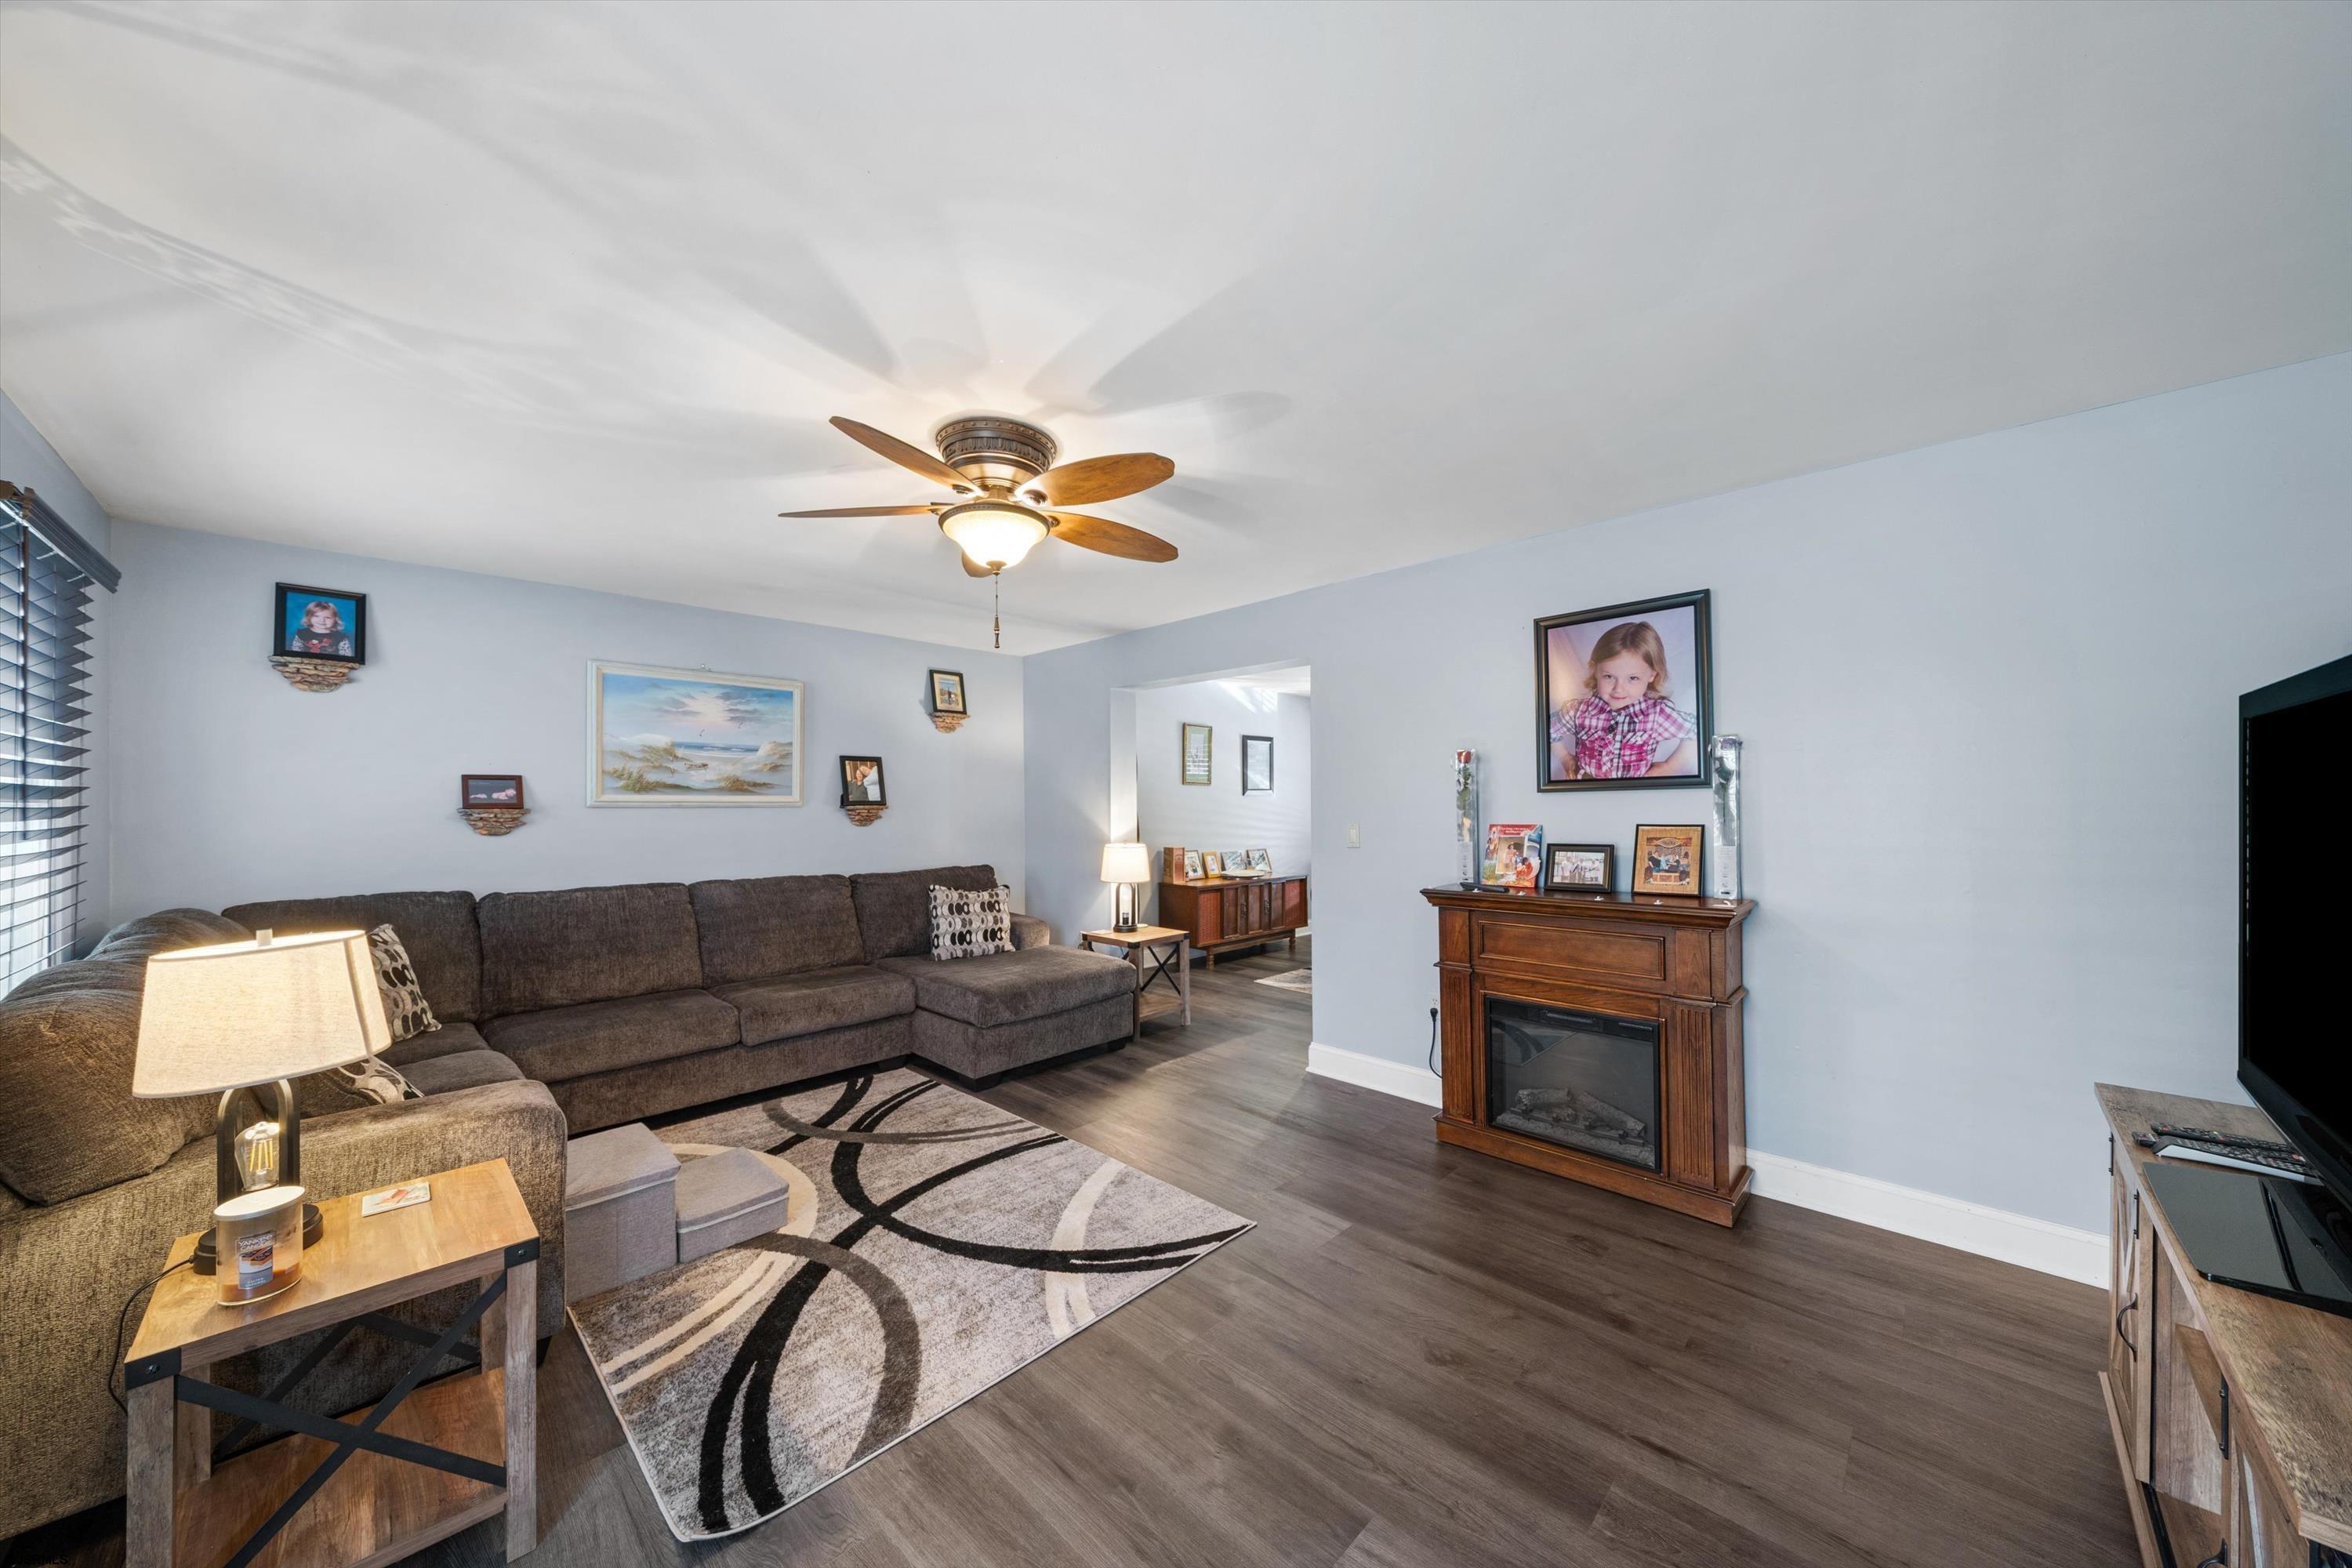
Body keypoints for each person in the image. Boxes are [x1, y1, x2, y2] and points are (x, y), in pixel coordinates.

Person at [1551, 620, 1697, 779]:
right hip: (1587, 787)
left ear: (1652, 675)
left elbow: (1696, 732)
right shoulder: (1579, 711)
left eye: (1633, 678)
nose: (1619, 689)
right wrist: (1565, 759)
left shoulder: (1657, 715)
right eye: (1609, 676)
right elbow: (1548, 730)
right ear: (1595, 670)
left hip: (1634, 791)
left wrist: (1670, 767)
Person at [286, 599, 354, 658]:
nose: (322, 620)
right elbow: (296, 652)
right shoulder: (302, 634)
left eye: (327, 617)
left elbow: (347, 656)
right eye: (316, 616)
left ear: (336, 619)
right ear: (309, 617)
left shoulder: (340, 637)